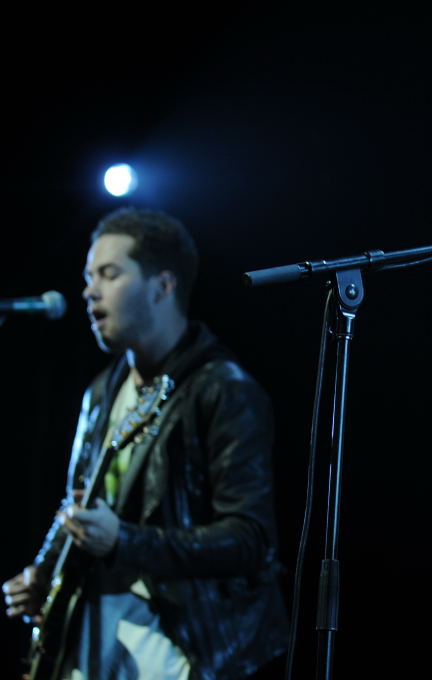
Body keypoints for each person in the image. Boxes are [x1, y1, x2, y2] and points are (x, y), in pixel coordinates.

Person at [3, 207, 287, 679]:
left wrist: (125, 541)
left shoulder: (223, 388)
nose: (89, 290)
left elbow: (251, 540)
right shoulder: (102, 391)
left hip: (182, 649)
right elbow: (80, 504)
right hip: (95, 642)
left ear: (162, 286)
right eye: (88, 277)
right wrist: (45, 573)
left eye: (109, 274)